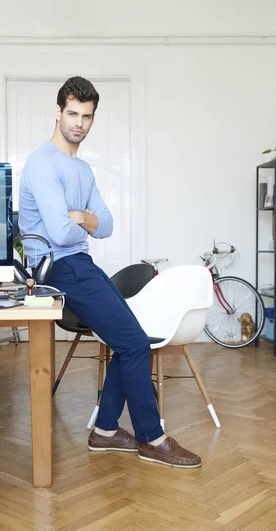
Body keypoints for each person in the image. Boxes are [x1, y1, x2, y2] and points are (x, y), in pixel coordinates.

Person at [19, 76, 201, 469]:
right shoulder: (42, 164)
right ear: (58, 112)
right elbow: (59, 232)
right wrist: (85, 222)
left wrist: (82, 216)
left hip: (80, 262)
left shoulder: (82, 170)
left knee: (131, 340)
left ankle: (105, 431)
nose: (78, 123)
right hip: (57, 267)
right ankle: (152, 438)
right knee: (134, 342)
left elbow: (107, 224)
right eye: (72, 114)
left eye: (86, 116)